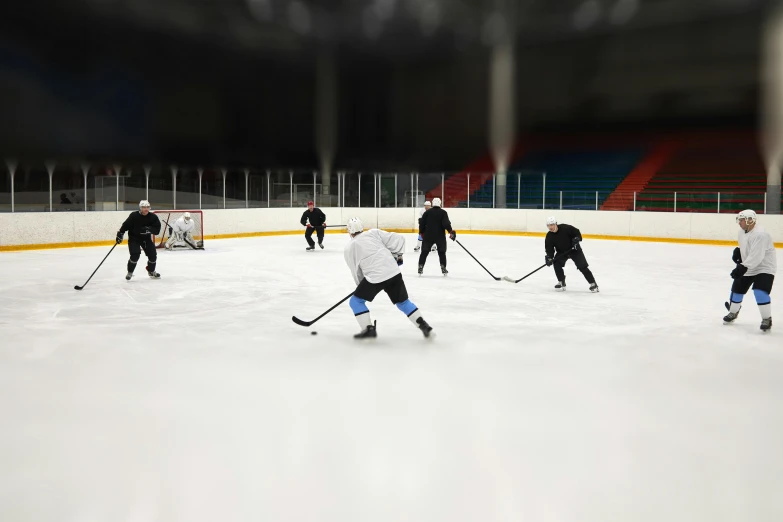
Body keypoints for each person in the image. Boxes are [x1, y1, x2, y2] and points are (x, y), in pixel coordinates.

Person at [344, 217, 433, 339]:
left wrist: (360, 287)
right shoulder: (373, 233)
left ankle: (368, 329)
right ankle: (423, 325)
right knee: (403, 302)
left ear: (349, 231)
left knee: (356, 301)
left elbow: (356, 271)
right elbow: (399, 239)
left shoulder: (350, 247)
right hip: (393, 271)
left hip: (374, 278)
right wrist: (398, 256)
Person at [723, 209, 776, 331]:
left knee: (760, 291)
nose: (739, 222)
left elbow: (757, 256)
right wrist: (739, 252)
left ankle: (767, 318)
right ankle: (733, 312)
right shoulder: (742, 232)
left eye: (741, 220)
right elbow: (748, 248)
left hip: (764, 267)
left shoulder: (761, 234)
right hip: (748, 265)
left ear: (750, 220)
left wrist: (742, 267)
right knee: (737, 289)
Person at [544, 216, 598, 292]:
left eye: (552, 225)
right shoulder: (549, 236)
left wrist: (577, 239)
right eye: (548, 225)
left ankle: (593, 283)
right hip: (562, 252)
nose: (550, 227)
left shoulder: (566, 228)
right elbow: (549, 248)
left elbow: (577, 232)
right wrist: (549, 257)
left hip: (574, 250)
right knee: (556, 264)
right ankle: (561, 281)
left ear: (556, 224)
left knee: (582, 267)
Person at [116, 200, 162, 280]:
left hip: (146, 239)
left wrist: (149, 229)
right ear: (140, 208)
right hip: (134, 238)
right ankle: (130, 272)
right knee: (135, 255)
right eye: (144, 207)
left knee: (153, 255)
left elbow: (157, 230)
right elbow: (126, 225)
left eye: (148, 207)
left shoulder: (153, 217)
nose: (146, 209)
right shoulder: (134, 216)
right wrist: (120, 233)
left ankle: (151, 271)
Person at [417, 197, 455, 276]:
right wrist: (451, 232)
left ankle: (421, 266)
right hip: (440, 236)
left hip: (428, 235)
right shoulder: (443, 212)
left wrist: (421, 232)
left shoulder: (427, 212)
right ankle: (443, 267)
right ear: (440, 203)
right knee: (442, 252)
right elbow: (446, 224)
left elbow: (422, 224)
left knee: (424, 252)